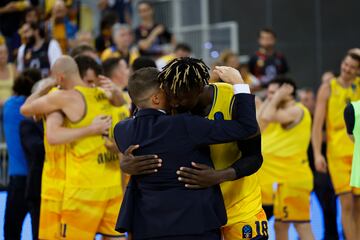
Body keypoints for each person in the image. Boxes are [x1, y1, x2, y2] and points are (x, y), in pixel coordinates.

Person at [120, 58, 267, 240]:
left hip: (239, 205)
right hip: (198, 210)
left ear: (198, 91)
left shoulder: (232, 99)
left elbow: (255, 157)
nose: (173, 103)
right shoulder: (169, 104)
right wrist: (126, 163)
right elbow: (139, 134)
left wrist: (219, 176)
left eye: (180, 98)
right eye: (170, 95)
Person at [21, 56, 126, 240]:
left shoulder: (66, 96)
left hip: (81, 189)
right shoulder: (103, 94)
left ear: (60, 77)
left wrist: (48, 86)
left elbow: (27, 110)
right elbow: (120, 102)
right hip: (107, 185)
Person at [257, 78, 314, 240]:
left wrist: (275, 98)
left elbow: (267, 116)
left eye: (274, 93)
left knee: (302, 226)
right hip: (278, 180)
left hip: (294, 179)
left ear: (288, 94)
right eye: (268, 93)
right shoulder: (275, 108)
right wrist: (272, 98)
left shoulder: (297, 110)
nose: (270, 97)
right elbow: (259, 124)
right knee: (279, 226)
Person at [312, 51, 360, 240]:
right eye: (346, 64)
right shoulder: (328, 87)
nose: (347, 68)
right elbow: (317, 125)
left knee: (358, 205)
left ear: (357, 71)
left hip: (357, 150)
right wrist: (317, 154)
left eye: (352, 67)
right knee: (346, 203)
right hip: (337, 153)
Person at [3, 69, 40, 240]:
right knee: (39, 232)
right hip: (38, 179)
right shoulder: (41, 109)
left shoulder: (10, 106)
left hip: (18, 179)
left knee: (11, 231)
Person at [299, 88, 339, 240]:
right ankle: (304, 235)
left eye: (307, 100)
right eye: (302, 100)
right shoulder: (299, 118)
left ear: (315, 101)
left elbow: (330, 136)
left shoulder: (323, 118)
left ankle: (331, 235)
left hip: (322, 170)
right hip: (303, 170)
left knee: (328, 206)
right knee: (298, 208)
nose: (304, 103)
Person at [20, 78, 45, 240]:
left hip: (66, 188)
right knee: (40, 234)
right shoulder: (27, 124)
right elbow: (37, 149)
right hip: (38, 188)